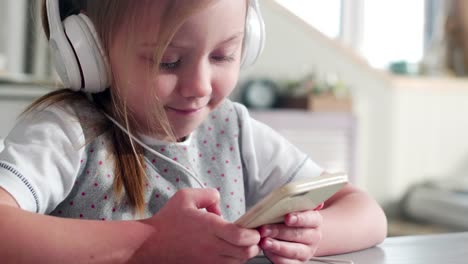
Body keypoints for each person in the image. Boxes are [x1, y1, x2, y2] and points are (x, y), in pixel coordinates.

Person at [0, 0, 387, 263]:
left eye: (222, 56)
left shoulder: (233, 130)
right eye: (168, 61)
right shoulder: (68, 132)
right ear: (89, 55)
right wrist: (148, 240)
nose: (200, 86)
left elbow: (367, 213)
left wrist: (312, 236)